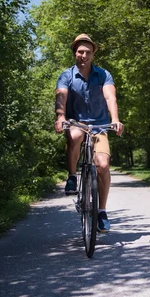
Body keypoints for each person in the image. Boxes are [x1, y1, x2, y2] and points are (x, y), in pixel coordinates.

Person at [54, 33, 124, 233]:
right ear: (74, 53)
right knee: (75, 136)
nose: (83, 55)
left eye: (87, 51)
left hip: (99, 125)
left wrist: (115, 120)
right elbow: (61, 98)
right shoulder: (66, 75)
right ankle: (72, 176)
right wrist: (60, 116)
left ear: (93, 54)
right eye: (79, 51)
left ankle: (101, 211)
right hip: (76, 122)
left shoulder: (103, 74)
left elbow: (110, 97)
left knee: (102, 165)